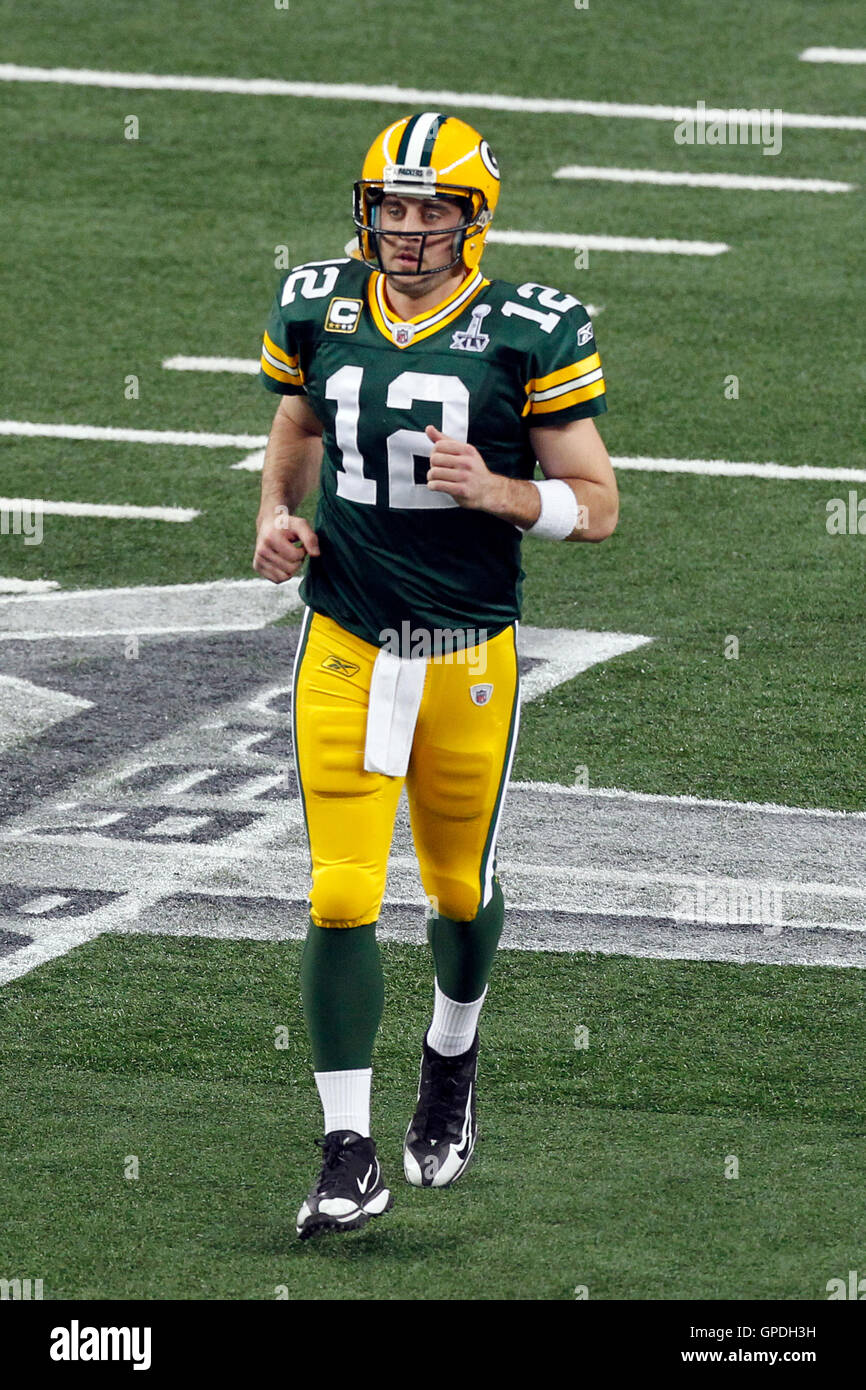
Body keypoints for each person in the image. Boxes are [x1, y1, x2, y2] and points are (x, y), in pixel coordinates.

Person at [253, 111, 618, 1240]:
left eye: (430, 211)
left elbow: (596, 507)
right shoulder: (319, 302)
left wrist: (503, 492)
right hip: (346, 639)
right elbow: (299, 418)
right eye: (392, 208)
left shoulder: (527, 331)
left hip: (463, 653)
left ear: (472, 220)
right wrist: (275, 512)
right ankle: (345, 1152)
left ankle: (451, 1057)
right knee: (339, 892)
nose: (407, 231)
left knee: (457, 891)